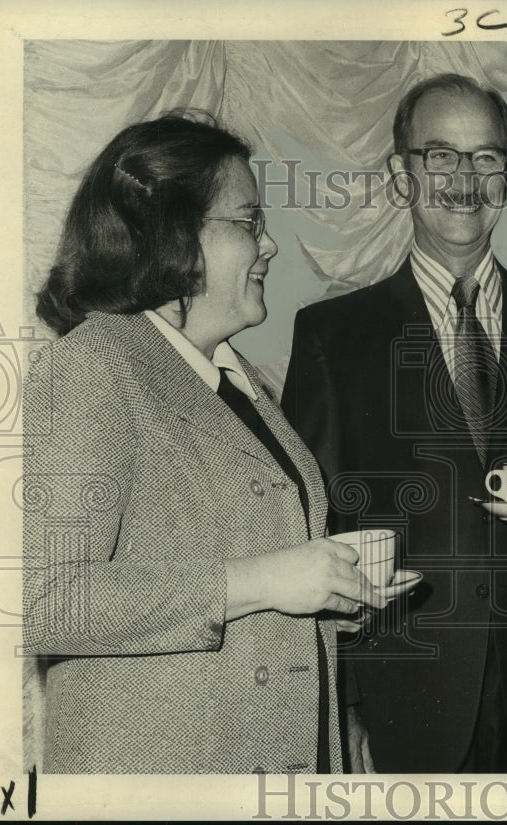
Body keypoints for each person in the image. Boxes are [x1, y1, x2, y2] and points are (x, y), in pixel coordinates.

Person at [21, 113, 412, 774]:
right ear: (173, 234)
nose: (270, 246)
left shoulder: (240, 377)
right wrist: (259, 581)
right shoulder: (91, 364)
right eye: (248, 222)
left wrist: (330, 594)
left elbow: (252, 584)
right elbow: (46, 599)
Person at [281, 74, 507, 773]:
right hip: (402, 693)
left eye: (486, 159)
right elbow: (312, 523)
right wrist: (347, 701)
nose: (464, 179)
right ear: (401, 174)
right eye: (440, 155)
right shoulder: (333, 334)